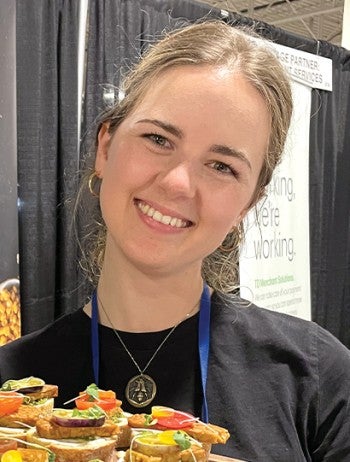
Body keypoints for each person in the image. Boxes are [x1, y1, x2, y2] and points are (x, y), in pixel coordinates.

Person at [0, 20, 349, 462]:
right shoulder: (13, 385)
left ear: (248, 202)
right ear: (105, 147)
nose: (179, 183)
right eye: (158, 138)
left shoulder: (318, 377)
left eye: (222, 166)